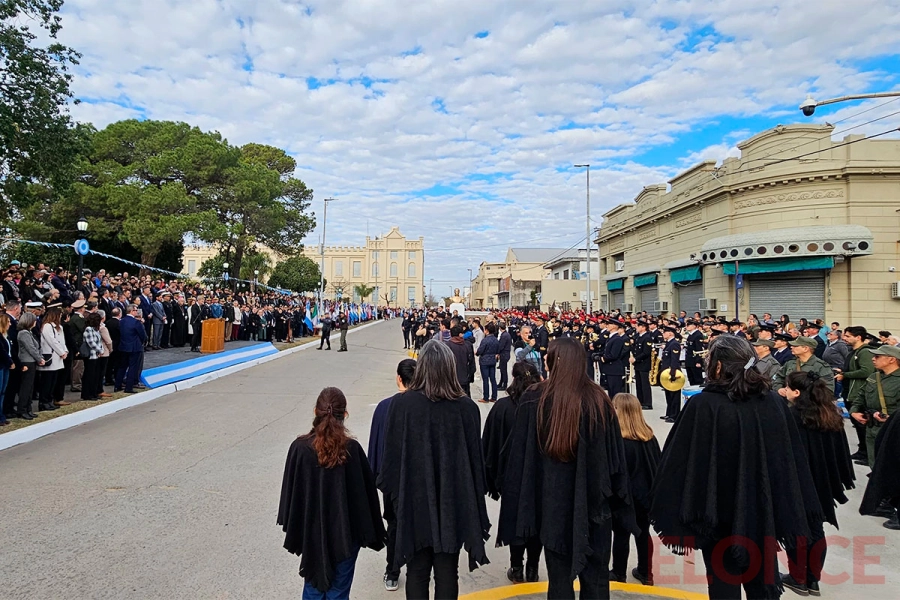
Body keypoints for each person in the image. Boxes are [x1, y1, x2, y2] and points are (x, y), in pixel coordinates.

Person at [650, 335, 823, 600]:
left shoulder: (703, 405)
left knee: (722, 581)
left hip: (717, 511)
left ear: (718, 367)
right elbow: (790, 461)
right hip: (762, 510)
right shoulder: (774, 403)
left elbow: (676, 463)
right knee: (763, 577)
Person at [497, 337, 634, 600]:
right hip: (595, 508)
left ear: (551, 362)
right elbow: (615, 461)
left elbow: (521, 459)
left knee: (559, 582)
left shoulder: (534, 398)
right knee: (596, 581)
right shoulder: (599, 401)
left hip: (552, 509)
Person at [377, 340, 491, 600]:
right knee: (447, 570)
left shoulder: (402, 405)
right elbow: (475, 463)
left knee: (417, 571)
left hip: (414, 501)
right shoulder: (467, 408)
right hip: (453, 501)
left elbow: (391, 458)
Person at [278, 387, 386, 599]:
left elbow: (291, 498)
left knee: (312, 590)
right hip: (345, 537)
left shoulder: (299, 449)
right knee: (338, 592)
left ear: (315, 411)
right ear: (344, 414)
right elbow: (365, 500)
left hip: (312, 535)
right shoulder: (351, 450)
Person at [779, 371, 855, 596]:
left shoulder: (792, 417)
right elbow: (841, 454)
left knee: (797, 530)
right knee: (816, 529)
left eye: (787, 387)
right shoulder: (830, 415)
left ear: (796, 392)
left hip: (798, 483)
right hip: (823, 483)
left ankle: (798, 577)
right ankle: (813, 579)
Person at [482, 361, 543, 584]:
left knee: (516, 519)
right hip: (540, 475)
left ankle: (517, 567)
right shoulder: (544, 404)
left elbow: (489, 444)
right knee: (537, 519)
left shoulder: (503, 407)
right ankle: (533, 567)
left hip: (511, 475)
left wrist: (493, 477)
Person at [368, 359, 417, 592]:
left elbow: (376, 446)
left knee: (395, 525)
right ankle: (415, 568)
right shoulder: (426, 406)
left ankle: (392, 570)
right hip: (417, 479)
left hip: (392, 479)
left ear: (399, 378)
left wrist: (378, 476)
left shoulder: (385, 407)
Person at [609, 392, 661, 587]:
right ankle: (646, 572)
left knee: (621, 534)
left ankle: (618, 571)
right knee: (643, 532)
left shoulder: (619, 442)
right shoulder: (649, 437)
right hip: (645, 496)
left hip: (624, 497)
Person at [850, 345, 900, 469]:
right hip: (872, 427)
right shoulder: (874, 377)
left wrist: (892, 418)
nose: (873, 359)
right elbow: (860, 395)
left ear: (891, 359)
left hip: (892, 430)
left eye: (877, 356)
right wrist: (854, 411)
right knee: (874, 465)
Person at [838, 326, 876, 463]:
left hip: (858, 392)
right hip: (849, 391)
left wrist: (845, 375)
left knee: (862, 425)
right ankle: (862, 450)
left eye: (848, 336)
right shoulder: (853, 351)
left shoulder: (864, 352)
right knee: (857, 425)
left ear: (858, 337)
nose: (844, 338)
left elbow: (867, 371)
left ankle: (867, 454)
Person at [38, 306, 68, 411]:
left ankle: (49, 400)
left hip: (58, 357)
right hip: (50, 356)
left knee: (53, 381)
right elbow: (52, 341)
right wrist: (61, 352)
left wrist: (65, 351)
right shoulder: (47, 326)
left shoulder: (59, 327)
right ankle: (43, 402)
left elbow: (62, 341)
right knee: (47, 381)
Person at [14, 312, 43, 420]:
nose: (36, 322)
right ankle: (22, 410)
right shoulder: (23, 333)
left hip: (32, 361)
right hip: (27, 361)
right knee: (26, 387)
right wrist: (39, 359)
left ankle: (28, 408)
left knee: (30, 387)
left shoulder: (28, 332)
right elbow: (31, 348)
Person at [115, 304, 147, 394]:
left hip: (123, 347)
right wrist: (141, 342)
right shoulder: (136, 322)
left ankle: (117, 386)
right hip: (134, 347)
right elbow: (142, 335)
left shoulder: (121, 321)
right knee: (133, 367)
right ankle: (129, 387)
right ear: (132, 311)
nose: (137, 312)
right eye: (136, 310)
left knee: (122, 367)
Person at [444, 325, 475, 397]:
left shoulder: (447, 346)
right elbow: (472, 363)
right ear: (460, 334)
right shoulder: (468, 345)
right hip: (464, 378)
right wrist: (470, 376)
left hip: (451, 379)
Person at [659, 325, 682, 423]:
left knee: (674, 395)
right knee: (668, 394)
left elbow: (674, 360)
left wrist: (673, 374)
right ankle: (669, 413)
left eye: (665, 332)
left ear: (670, 333)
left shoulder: (674, 344)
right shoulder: (669, 343)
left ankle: (674, 415)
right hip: (666, 372)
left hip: (673, 373)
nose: (663, 334)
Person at [80, 312, 104, 401]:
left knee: (95, 375)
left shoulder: (95, 329)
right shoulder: (88, 329)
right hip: (90, 355)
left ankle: (94, 393)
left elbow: (99, 341)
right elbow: (91, 343)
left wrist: (101, 350)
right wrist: (100, 350)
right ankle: (87, 394)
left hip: (96, 355)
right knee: (89, 375)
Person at [476, 322, 500, 403]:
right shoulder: (496, 340)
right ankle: (494, 396)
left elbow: (480, 350)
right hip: (493, 360)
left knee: (485, 380)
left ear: (487, 331)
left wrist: (477, 353)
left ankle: (486, 397)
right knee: (493, 379)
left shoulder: (485, 340)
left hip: (484, 361)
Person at [0, 314, 13, 426]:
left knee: (3, 392)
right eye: (8, 322)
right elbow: (2, 352)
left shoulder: (6, 336)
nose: (10, 324)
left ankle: (2, 415)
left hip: (5, 366)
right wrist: (10, 362)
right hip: (1, 365)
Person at [497, 322, 512, 391]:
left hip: (504, 354)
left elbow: (501, 346)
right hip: (505, 353)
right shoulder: (506, 334)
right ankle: (501, 383)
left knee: (503, 370)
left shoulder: (504, 336)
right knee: (502, 369)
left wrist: (497, 352)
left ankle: (504, 384)